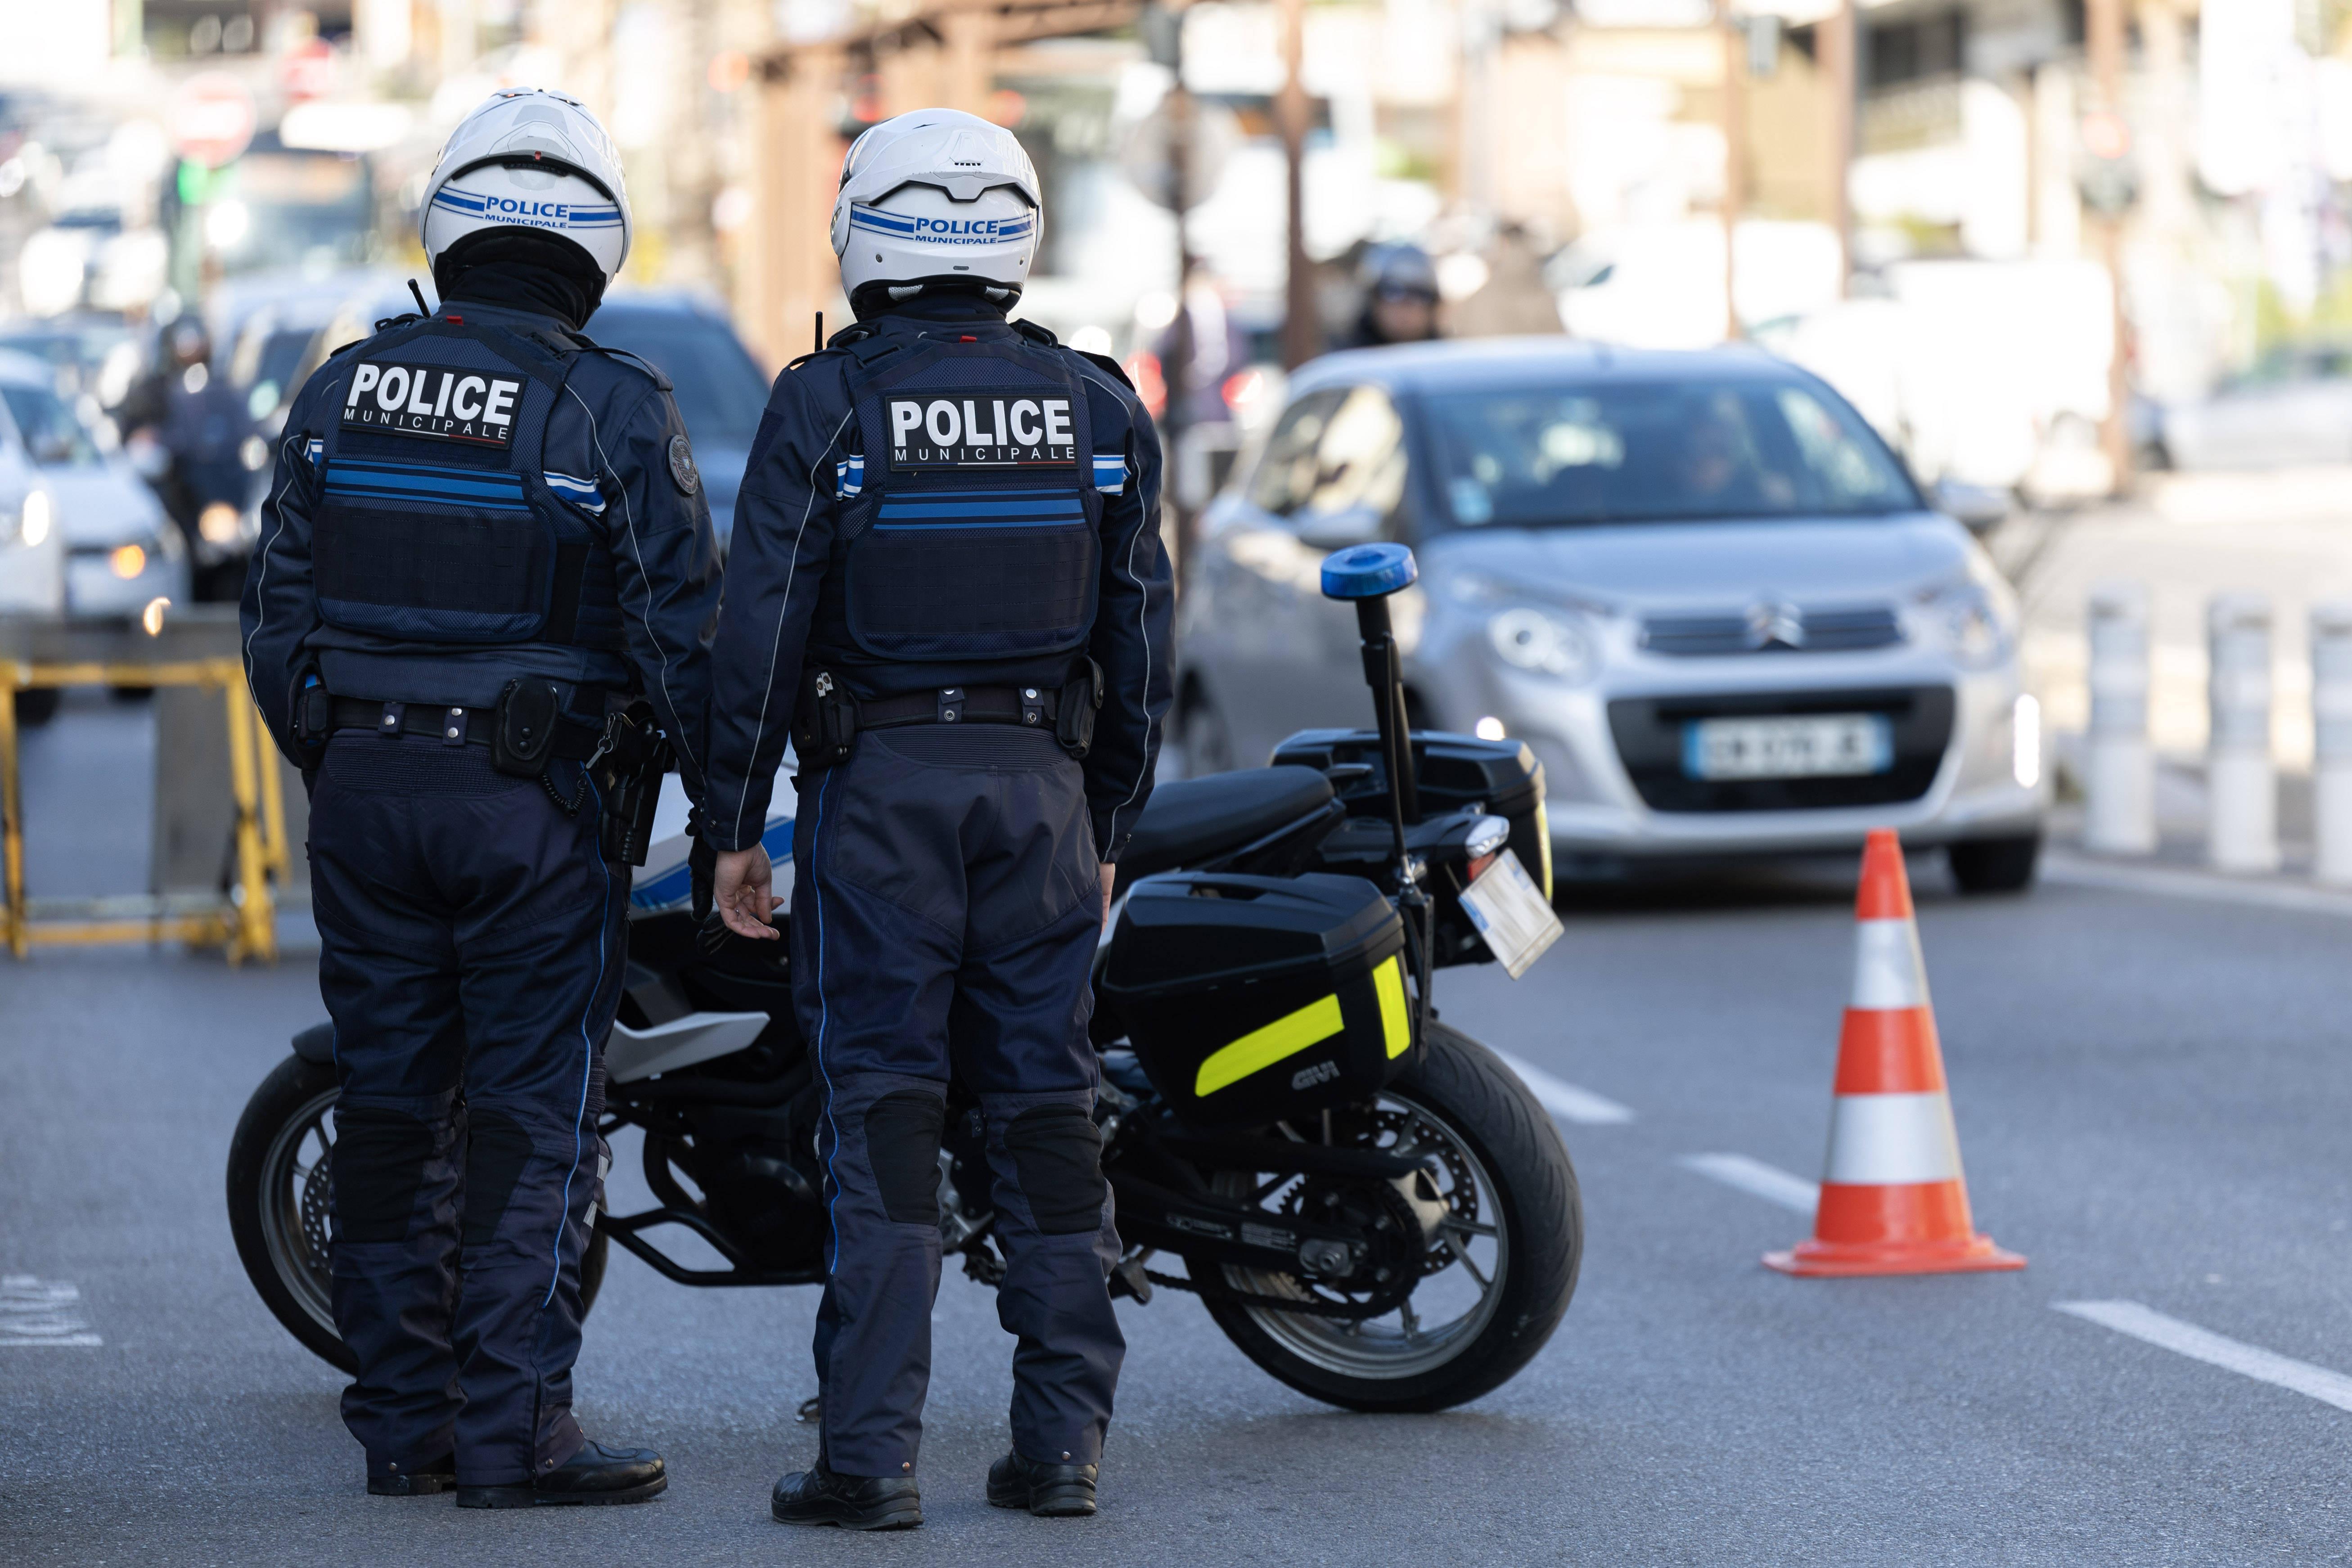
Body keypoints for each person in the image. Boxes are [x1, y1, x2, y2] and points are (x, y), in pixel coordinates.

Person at [240, 88, 722, 1509]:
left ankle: (405, 1427)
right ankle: (517, 1436)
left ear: (450, 225)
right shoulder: (610, 402)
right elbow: (679, 641)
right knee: (529, 1113)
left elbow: (274, 620)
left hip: (368, 801)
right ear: (592, 240)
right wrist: (731, 819)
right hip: (533, 807)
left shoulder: (344, 387)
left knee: (392, 1103)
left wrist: (341, 756)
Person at [699, 106, 1173, 1530]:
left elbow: (760, 632)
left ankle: (870, 1462)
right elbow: (1139, 641)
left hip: (883, 807)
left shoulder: (828, 405)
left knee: (885, 1121)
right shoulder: (1092, 406)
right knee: (1046, 1120)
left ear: (868, 232)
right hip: (1039, 805)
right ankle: (1060, 1452)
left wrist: (733, 822)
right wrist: (1106, 822)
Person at [1342, 242, 1442, 348]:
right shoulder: (1342, 360)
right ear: (1373, 300)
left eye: (1420, 294)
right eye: (1392, 291)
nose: (1405, 307)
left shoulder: (1449, 358)